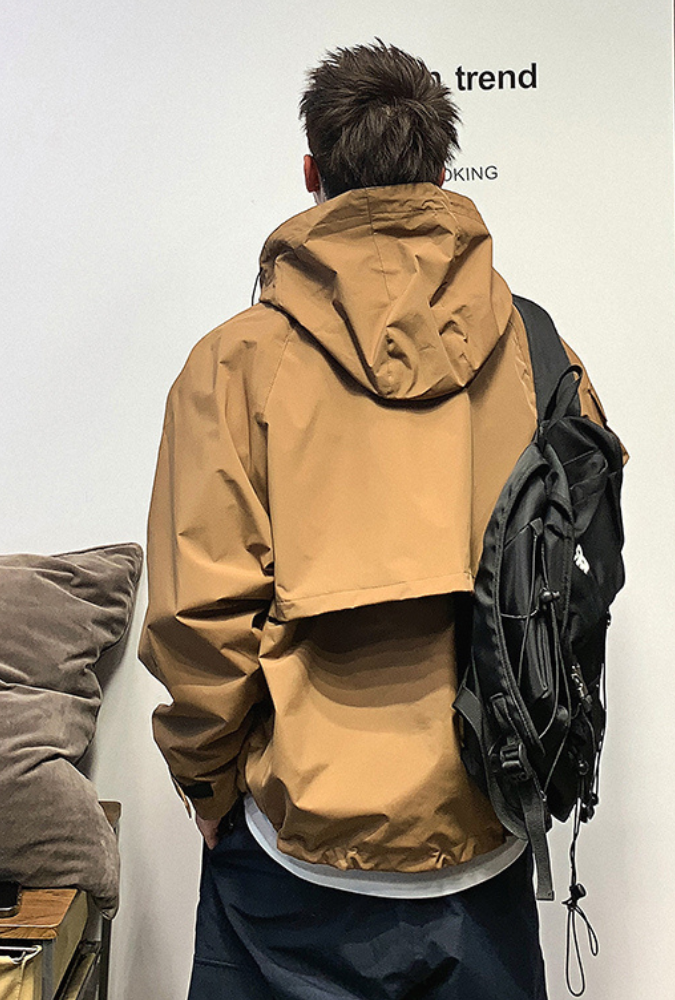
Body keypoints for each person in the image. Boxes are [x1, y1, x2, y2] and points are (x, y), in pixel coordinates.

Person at [140, 40, 612, 1000]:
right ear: (440, 174)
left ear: (312, 174)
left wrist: (208, 784)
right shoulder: (539, 349)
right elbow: (582, 581)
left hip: (292, 858)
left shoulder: (233, 366)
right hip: (483, 836)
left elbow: (199, 620)